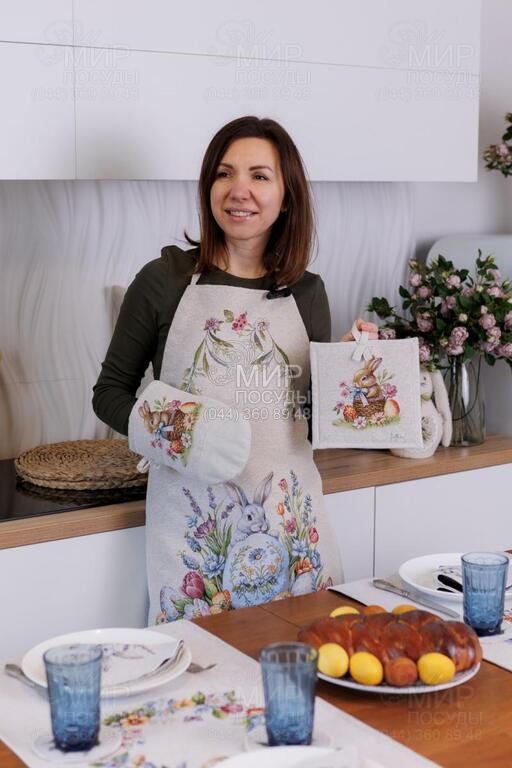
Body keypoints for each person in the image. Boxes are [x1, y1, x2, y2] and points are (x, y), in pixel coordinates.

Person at [93, 116, 374, 625]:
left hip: (293, 536)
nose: (238, 189)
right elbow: (109, 392)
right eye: (225, 173)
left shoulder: (308, 292)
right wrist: (183, 432)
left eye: (259, 176)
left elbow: (311, 420)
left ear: (286, 197)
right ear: (208, 186)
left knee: (304, 665)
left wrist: (352, 374)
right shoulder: (164, 281)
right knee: (203, 670)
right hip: (195, 542)